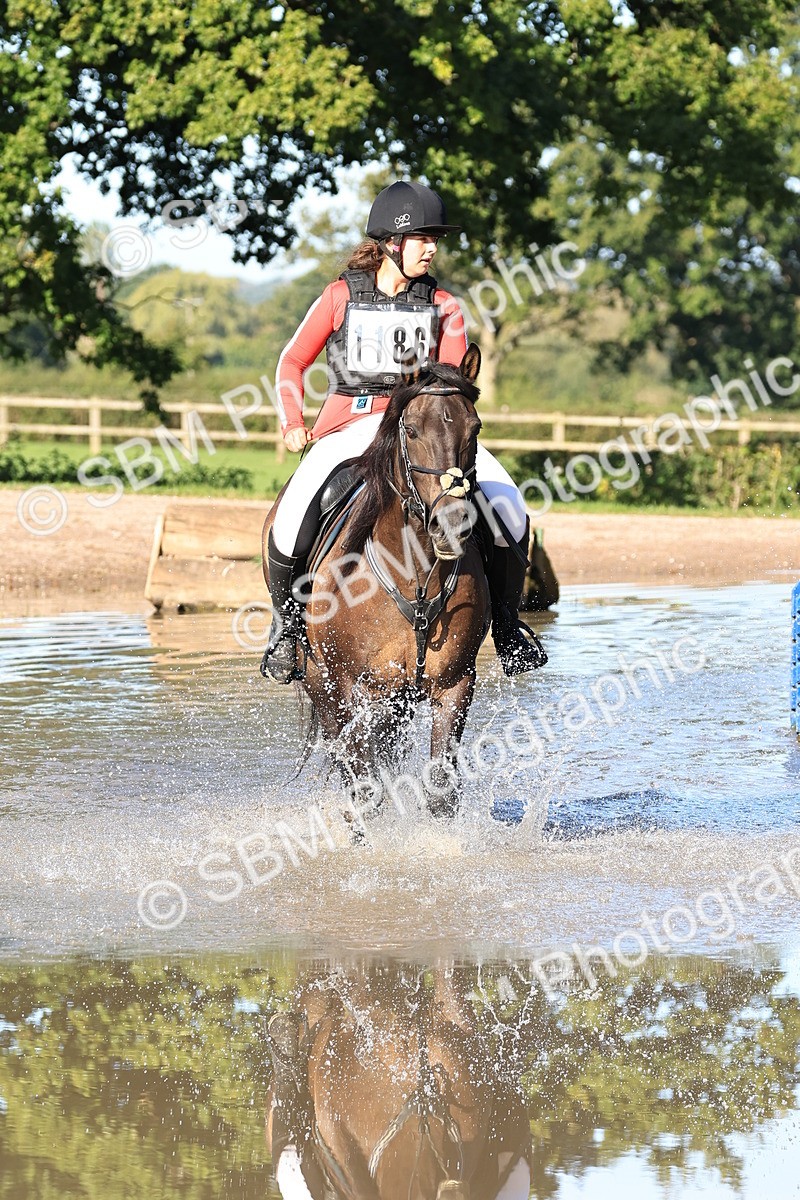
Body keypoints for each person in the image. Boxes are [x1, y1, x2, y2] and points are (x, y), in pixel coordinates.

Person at [261, 180, 547, 684]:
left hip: (421, 433)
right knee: (294, 511)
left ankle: (505, 626)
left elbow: (453, 380)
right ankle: (288, 630)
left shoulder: (445, 305)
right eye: (423, 238)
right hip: (350, 426)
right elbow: (291, 362)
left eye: (436, 238)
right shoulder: (338, 296)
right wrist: (293, 422)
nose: (433, 248)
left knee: (509, 506)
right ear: (393, 243)